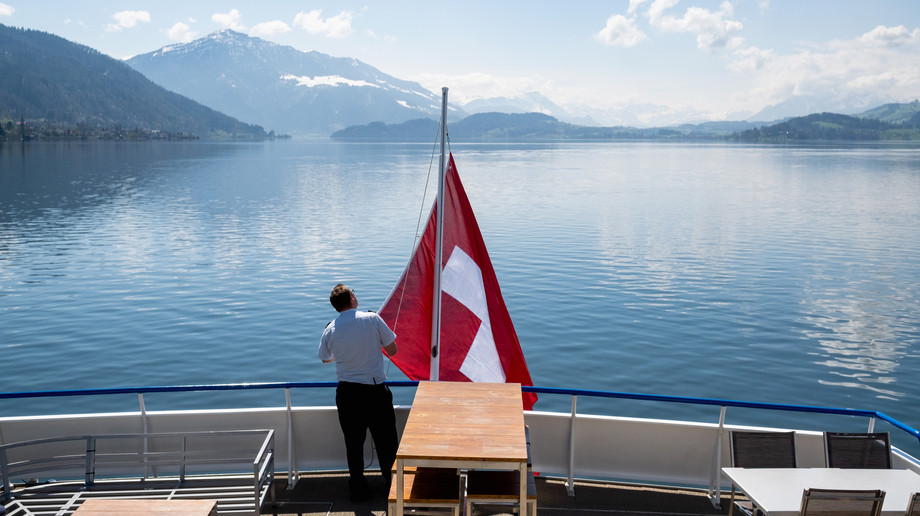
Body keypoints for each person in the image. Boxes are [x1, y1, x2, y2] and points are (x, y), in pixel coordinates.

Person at [318, 283, 399, 501]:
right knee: (386, 442)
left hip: (347, 394)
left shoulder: (330, 328)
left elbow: (325, 358)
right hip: (375, 392)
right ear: (352, 299)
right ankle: (391, 486)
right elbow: (392, 349)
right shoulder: (372, 319)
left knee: (353, 443)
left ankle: (358, 489)